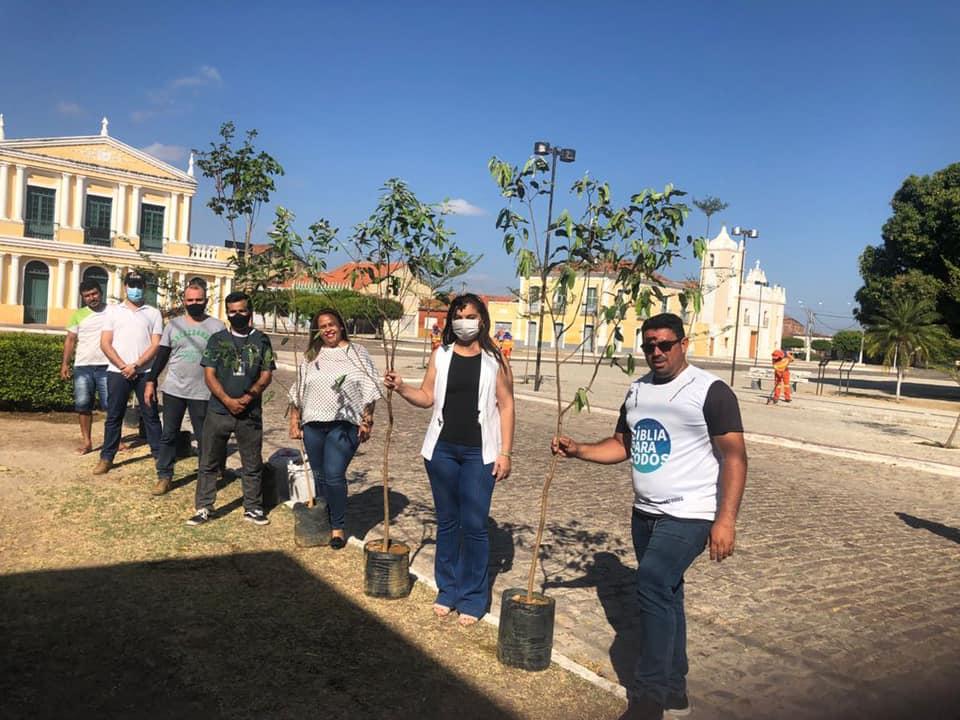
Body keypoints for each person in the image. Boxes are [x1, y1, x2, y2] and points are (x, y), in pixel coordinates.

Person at [551, 313, 747, 720]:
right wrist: (579, 450)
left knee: (653, 582)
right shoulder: (637, 390)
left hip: (691, 514)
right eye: (648, 346)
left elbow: (734, 456)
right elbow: (623, 444)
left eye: (664, 344)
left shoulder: (711, 391)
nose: (656, 352)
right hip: (644, 515)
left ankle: (648, 700)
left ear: (683, 343)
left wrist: (725, 519)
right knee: (667, 595)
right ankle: (675, 692)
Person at [384, 293, 515, 626]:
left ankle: (472, 597)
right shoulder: (440, 355)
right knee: (447, 522)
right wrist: (401, 388)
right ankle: (448, 589)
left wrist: (505, 452)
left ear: (482, 320)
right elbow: (427, 397)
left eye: (470, 316)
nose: (464, 322)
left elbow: (507, 405)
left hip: (479, 453)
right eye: (458, 316)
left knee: (474, 525)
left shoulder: (493, 360)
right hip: (442, 451)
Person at [288, 309, 380, 549]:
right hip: (313, 425)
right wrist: (294, 420)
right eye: (322, 326)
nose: (327, 329)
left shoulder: (357, 353)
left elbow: (370, 388)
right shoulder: (312, 355)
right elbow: (300, 388)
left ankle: (337, 527)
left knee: (334, 474)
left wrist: (367, 420)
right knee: (319, 475)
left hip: (345, 424)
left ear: (341, 325)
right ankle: (323, 521)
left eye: (331, 324)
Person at [187, 291, 275, 527]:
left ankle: (253, 507)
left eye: (242, 311)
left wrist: (248, 397)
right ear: (227, 313)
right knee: (208, 462)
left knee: (252, 463)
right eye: (232, 312)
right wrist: (227, 400)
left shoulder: (261, 340)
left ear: (250, 312)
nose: (237, 315)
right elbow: (209, 374)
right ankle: (204, 507)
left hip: (250, 414)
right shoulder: (217, 340)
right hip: (218, 411)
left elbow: (266, 374)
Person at [144, 282, 226, 496]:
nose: (194, 303)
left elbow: (225, 361)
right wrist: (151, 381)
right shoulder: (173, 326)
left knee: (204, 436)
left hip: (204, 391)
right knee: (168, 434)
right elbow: (161, 356)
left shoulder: (217, 327)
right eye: (190, 300)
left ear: (206, 300)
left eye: (199, 300)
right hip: (174, 390)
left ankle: (207, 475)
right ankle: (164, 476)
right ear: (184, 302)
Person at [94, 271, 163, 475]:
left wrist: (137, 364)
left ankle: (160, 455)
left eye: (139, 285)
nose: (135, 289)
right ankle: (107, 457)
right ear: (125, 287)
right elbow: (105, 343)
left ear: (145, 287)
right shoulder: (113, 312)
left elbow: (156, 344)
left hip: (145, 373)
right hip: (118, 372)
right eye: (132, 285)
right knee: (114, 416)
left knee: (150, 415)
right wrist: (124, 366)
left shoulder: (153, 313)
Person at [61, 280, 110, 455]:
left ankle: (114, 442)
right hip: (83, 366)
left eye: (94, 294)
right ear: (83, 298)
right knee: (83, 405)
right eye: (87, 296)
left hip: (108, 365)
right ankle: (87, 443)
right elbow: (70, 340)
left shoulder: (112, 312)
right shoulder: (78, 315)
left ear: (100, 293)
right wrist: (65, 364)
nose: (92, 298)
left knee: (111, 406)